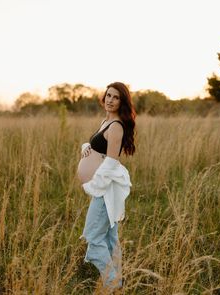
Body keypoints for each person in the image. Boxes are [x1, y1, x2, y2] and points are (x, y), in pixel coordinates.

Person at [79, 82, 136, 292]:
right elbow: (97, 146)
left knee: (93, 237)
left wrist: (92, 186)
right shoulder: (106, 121)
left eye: (116, 97)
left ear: (122, 102)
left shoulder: (116, 126)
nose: (110, 100)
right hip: (104, 189)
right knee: (110, 238)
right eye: (108, 95)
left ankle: (113, 283)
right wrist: (87, 147)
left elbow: (111, 163)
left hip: (104, 190)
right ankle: (117, 280)